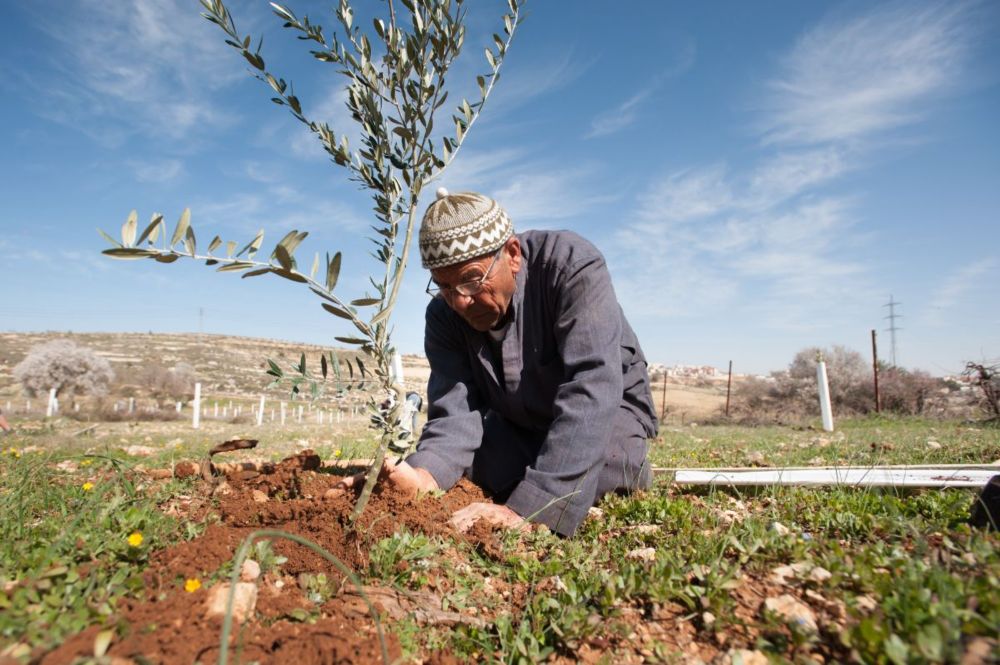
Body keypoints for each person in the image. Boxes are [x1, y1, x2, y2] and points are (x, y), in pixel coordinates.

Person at [340, 189, 658, 536]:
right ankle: (546, 469)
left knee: (613, 461)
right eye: (445, 286)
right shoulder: (444, 316)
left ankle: (594, 473)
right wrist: (421, 476)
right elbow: (455, 417)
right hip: (520, 423)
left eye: (472, 279)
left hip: (610, 411)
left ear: (512, 254)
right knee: (473, 468)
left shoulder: (571, 266)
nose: (461, 301)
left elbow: (593, 382)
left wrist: (530, 510)